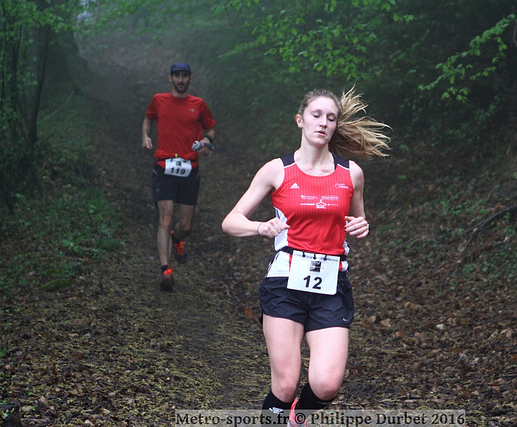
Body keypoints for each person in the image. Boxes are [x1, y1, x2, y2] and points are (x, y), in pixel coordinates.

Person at [222, 87, 390, 426]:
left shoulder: (351, 174)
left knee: (326, 385)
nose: (324, 123)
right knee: (285, 384)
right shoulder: (277, 170)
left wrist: (362, 228)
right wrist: (259, 228)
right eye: (316, 115)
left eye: (331, 118)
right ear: (300, 120)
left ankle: (297, 418)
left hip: (331, 285)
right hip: (285, 283)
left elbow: (357, 222)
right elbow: (230, 221)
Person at [142, 62, 217, 291]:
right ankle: (166, 271)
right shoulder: (159, 100)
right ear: (170, 78)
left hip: (189, 168)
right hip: (163, 166)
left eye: (185, 76)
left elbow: (210, 130)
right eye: (177, 76)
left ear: (190, 79)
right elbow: (148, 118)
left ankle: (177, 238)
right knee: (165, 218)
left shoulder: (199, 104)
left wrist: (206, 142)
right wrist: (145, 135)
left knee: (186, 225)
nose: (181, 80)